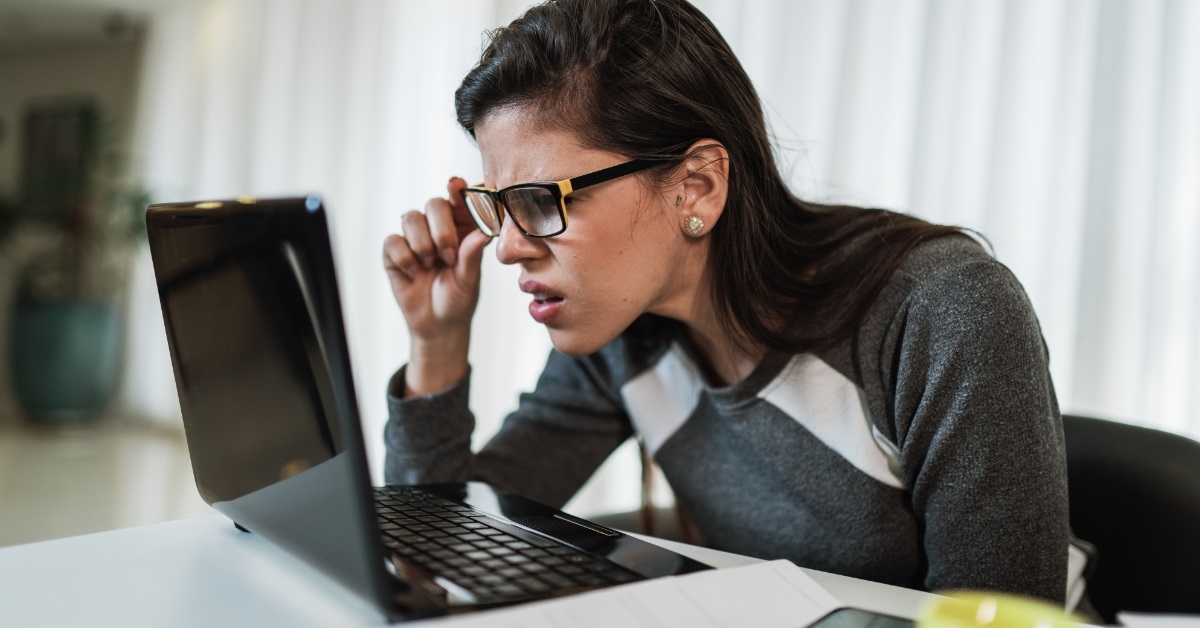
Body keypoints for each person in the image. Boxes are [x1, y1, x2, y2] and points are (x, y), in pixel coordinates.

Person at [381, 0, 1091, 609]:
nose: (506, 249)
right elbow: (440, 547)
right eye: (495, 208)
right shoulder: (623, 337)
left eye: (540, 202)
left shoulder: (941, 313)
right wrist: (436, 345)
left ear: (696, 187)